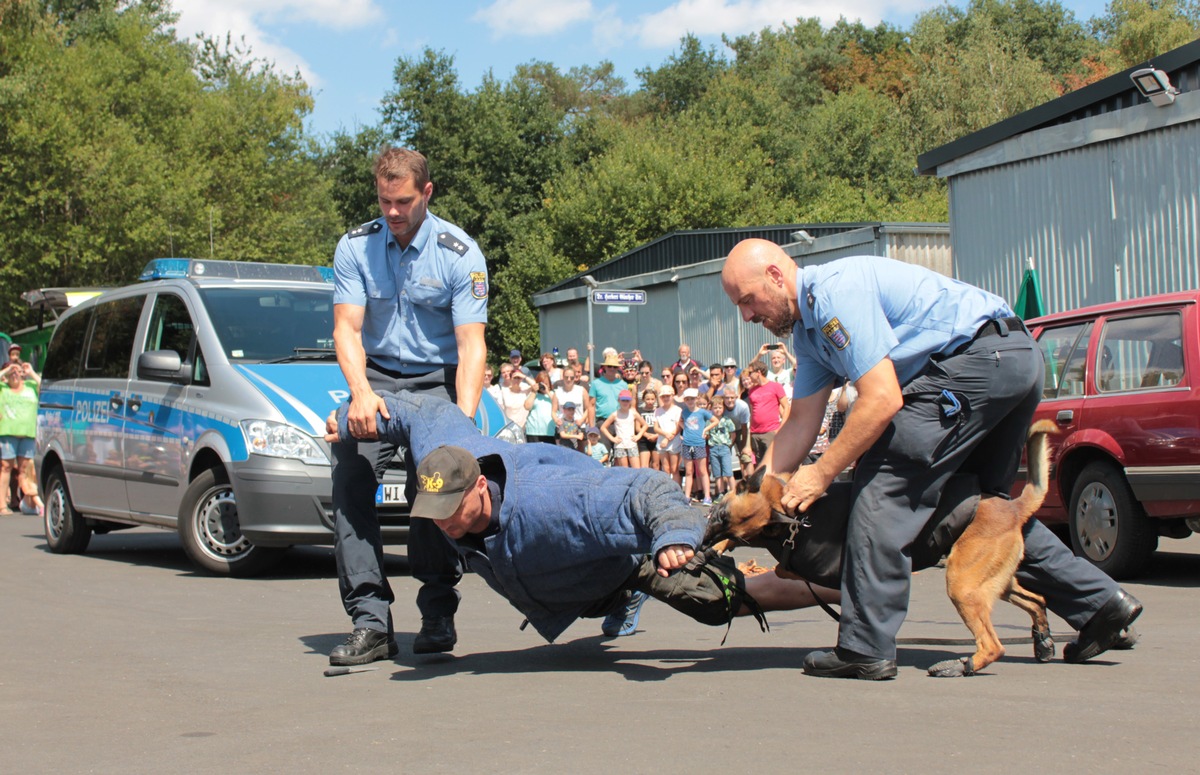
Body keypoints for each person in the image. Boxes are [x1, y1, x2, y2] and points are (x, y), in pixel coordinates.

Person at [721, 238, 1142, 680]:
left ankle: (865, 647)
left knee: (881, 488)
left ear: (775, 275)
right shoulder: (810, 334)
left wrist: (823, 473)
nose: (747, 316)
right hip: (1012, 358)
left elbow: (881, 399)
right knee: (983, 513)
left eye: (748, 301)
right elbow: (802, 422)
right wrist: (751, 495)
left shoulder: (833, 295)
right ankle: (1101, 607)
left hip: (975, 363)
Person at [323, 391, 759, 645]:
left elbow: (644, 486)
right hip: (562, 571)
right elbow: (417, 411)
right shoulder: (442, 454)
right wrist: (345, 417)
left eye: (451, 509)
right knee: (581, 594)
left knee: (714, 600)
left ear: (477, 487)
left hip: (619, 545)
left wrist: (672, 534)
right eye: (434, 512)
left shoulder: (551, 503)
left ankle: (814, 583)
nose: (443, 522)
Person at [329, 146, 488, 666]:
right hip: (376, 378)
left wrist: (461, 419)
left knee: (435, 482)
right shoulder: (355, 247)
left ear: (426, 193)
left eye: (402, 202)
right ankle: (370, 621)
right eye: (383, 202)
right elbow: (347, 330)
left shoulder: (460, 253)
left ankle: (438, 613)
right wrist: (360, 393)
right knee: (350, 474)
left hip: (436, 382)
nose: (392, 213)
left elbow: (470, 346)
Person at [0, 361, 42, 515]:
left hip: (27, 433)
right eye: (12, 372)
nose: (15, 374)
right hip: (8, 432)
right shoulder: (3, 388)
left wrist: (30, 371)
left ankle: (30, 503)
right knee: (6, 467)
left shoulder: (30, 386)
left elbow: (44, 387)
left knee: (26, 469)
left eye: (17, 371)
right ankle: (2, 505)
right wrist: (7, 370)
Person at [743, 360, 790, 466]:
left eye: (750, 373)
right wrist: (750, 435)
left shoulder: (775, 386)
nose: (749, 375)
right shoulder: (752, 390)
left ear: (758, 372)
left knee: (773, 464)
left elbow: (786, 407)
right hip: (755, 433)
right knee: (760, 465)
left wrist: (781, 428)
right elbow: (752, 413)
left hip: (770, 431)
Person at [678, 388, 713, 504]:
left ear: (696, 398)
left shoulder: (702, 412)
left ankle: (707, 496)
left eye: (692, 399)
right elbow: (680, 422)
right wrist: (685, 430)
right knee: (689, 471)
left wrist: (705, 430)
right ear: (684, 400)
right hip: (687, 444)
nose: (690, 401)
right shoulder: (684, 412)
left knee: (702, 470)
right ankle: (687, 496)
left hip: (699, 444)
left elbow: (715, 420)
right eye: (687, 399)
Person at [601, 389, 646, 468]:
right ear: (619, 400)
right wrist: (613, 439)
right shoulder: (615, 414)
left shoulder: (633, 413)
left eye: (627, 400)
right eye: (623, 400)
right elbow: (603, 427)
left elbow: (645, 425)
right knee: (624, 470)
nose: (625, 403)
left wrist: (638, 436)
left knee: (637, 469)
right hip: (620, 445)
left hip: (632, 444)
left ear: (630, 401)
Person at [703, 398, 736, 498]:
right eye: (715, 408)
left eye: (720, 407)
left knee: (728, 472)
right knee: (717, 473)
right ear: (711, 409)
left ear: (723, 408)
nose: (717, 410)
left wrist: (729, 444)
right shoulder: (709, 422)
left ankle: (733, 492)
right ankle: (721, 492)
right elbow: (707, 434)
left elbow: (733, 433)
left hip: (724, 447)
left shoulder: (727, 420)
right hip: (713, 448)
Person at [719, 387, 754, 474]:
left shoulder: (742, 406)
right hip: (726, 432)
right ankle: (724, 485)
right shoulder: (720, 406)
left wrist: (744, 445)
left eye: (732, 397)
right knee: (723, 457)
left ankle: (749, 481)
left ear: (736, 397)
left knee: (746, 457)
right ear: (723, 398)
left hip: (741, 430)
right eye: (727, 398)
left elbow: (744, 427)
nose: (729, 400)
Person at [587, 353, 626, 427]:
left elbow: (627, 405)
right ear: (604, 367)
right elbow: (591, 405)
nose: (612, 369)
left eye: (614, 367)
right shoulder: (596, 383)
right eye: (609, 366)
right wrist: (592, 427)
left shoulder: (623, 385)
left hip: (620, 421)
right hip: (602, 421)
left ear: (617, 368)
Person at [653, 386, 682, 483]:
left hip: (674, 442)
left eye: (668, 396)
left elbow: (678, 427)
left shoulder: (678, 410)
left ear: (672, 395)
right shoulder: (657, 411)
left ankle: (676, 490)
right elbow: (656, 428)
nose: (665, 398)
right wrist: (665, 435)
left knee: (674, 469)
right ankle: (667, 491)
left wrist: (667, 439)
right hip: (662, 443)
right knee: (666, 469)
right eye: (663, 396)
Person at [524, 371, 557, 444]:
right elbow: (527, 407)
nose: (543, 386)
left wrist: (547, 392)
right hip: (533, 431)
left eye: (546, 383)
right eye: (541, 384)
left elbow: (558, 405)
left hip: (549, 431)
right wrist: (533, 392)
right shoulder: (533, 394)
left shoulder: (552, 394)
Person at [637, 388, 660, 469]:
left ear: (655, 399)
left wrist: (656, 436)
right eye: (647, 399)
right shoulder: (639, 411)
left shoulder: (659, 411)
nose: (650, 401)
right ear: (643, 399)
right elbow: (637, 428)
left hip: (657, 440)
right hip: (644, 440)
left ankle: (656, 481)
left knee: (655, 464)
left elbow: (662, 426)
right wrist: (647, 435)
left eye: (652, 399)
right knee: (644, 466)